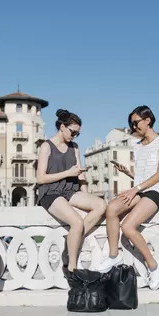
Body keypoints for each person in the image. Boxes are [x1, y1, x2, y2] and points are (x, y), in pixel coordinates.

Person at [97, 105, 159, 290]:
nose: (134, 127)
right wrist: (129, 174)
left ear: (148, 120)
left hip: (157, 191)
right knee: (111, 209)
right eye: (131, 124)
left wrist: (134, 189)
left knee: (128, 226)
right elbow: (143, 176)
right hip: (142, 189)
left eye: (136, 122)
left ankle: (154, 265)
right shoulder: (137, 147)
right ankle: (114, 256)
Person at [37, 109, 107, 272]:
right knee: (77, 222)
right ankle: (72, 268)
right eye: (73, 132)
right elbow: (41, 178)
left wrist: (85, 192)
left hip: (69, 190)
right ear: (62, 127)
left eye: (78, 134)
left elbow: (79, 174)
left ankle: (71, 242)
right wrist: (68, 173)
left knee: (101, 205)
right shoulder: (46, 146)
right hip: (50, 192)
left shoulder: (74, 147)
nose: (75, 136)